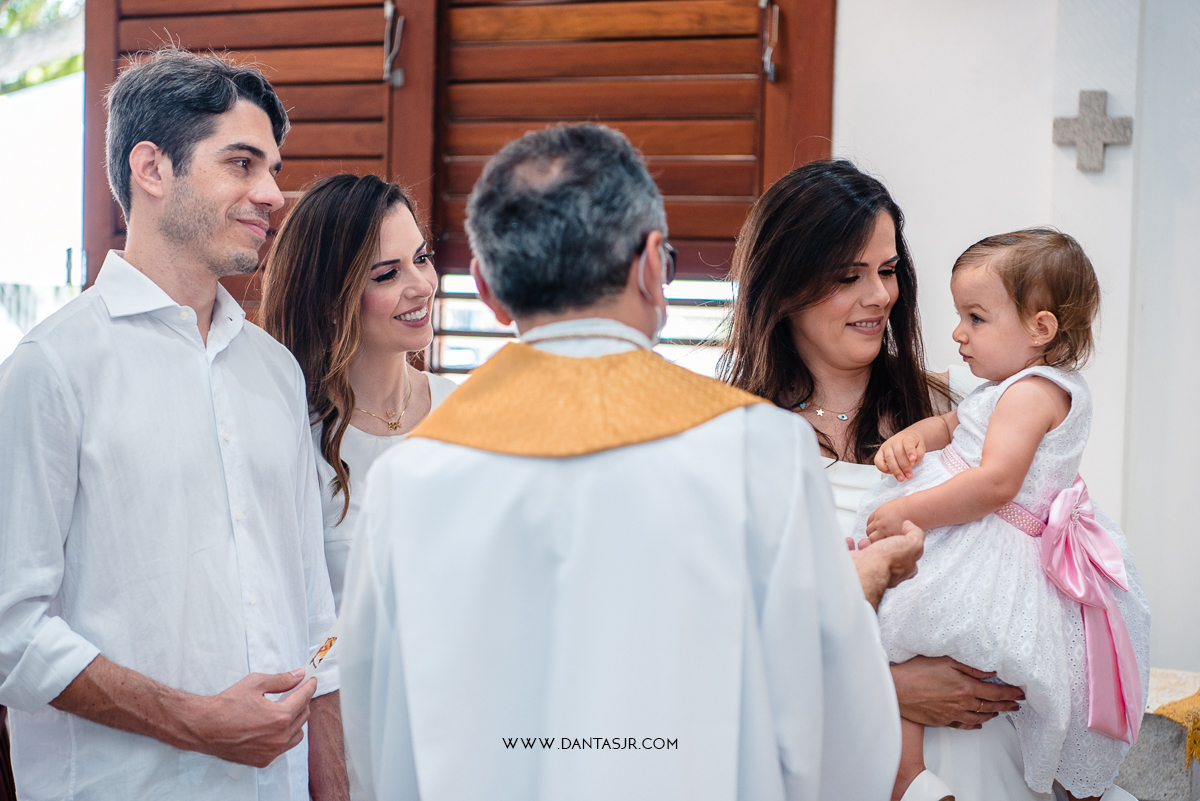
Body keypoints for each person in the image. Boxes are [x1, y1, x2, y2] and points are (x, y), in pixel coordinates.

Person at [338, 123, 904, 800]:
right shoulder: (761, 453)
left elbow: (376, 740)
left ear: (486, 288)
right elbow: (847, 738)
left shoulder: (409, 480)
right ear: (652, 264)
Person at [718, 161, 1146, 801]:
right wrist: (887, 685)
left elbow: (1033, 583)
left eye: (888, 271)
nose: (880, 296)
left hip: (1003, 758)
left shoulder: (975, 398)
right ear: (783, 286)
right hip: (845, 765)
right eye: (847, 276)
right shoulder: (736, 440)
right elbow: (721, 650)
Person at [0, 50, 347, 799]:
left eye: (273, 168)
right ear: (152, 168)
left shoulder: (273, 371)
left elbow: (315, 610)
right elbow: (11, 630)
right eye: (243, 163)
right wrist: (197, 720)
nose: (273, 193)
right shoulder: (51, 368)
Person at [861, 229, 1150, 801]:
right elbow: (953, 424)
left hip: (987, 545)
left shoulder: (1034, 393)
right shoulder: (1007, 384)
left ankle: (907, 775)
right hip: (976, 537)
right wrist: (913, 439)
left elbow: (996, 483)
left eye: (975, 317)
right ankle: (917, 774)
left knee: (900, 625)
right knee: (904, 630)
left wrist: (906, 511)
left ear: (1040, 329)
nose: (958, 333)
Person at [259, 173, 457, 612]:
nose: (422, 285)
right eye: (388, 274)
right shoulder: (289, 435)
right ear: (331, 297)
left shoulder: (466, 414)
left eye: (421, 257)